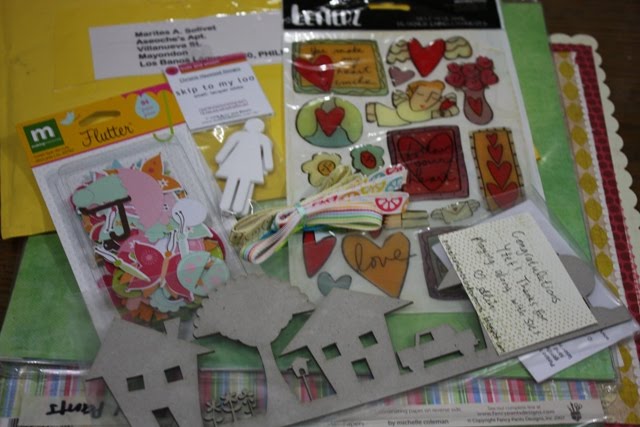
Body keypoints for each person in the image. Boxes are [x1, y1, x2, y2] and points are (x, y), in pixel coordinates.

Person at [216, 118, 273, 215]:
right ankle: (233, 207)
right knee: (243, 185)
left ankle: (232, 207)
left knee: (235, 183)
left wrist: (220, 157)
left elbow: (226, 149)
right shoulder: (264, 139)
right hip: (251, 166)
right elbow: (267, 157)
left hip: (238, 165)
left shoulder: (238, 135)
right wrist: (267, 166)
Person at [365, 80, 458, 127]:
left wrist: (446, 105)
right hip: (381, 113)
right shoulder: (404, 105)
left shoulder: (431, 112)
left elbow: (451, 110)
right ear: (411, 93)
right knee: (371, 110)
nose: (426, 101)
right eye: (420, 94)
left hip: (389, 119)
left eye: (434, 98)